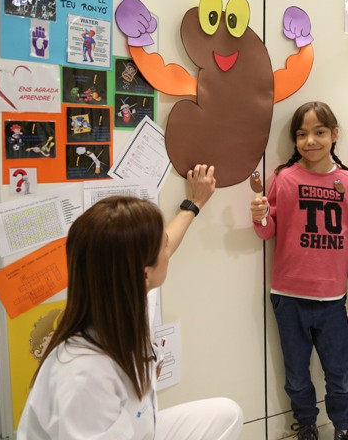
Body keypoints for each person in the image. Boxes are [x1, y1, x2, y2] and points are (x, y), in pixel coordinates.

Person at [17, 164, 243, 440]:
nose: (168, 247)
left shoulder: (119, 292)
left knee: (227, 414)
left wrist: (193, 204)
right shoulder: (84, 374)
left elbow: (168, 242)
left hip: (135, 425)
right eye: (163, 245)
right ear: (144, 273)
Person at [250, 101, 348, 440]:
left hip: (332, 300)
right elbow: (268, 232)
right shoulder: (284, 179)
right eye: (302, 134)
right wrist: (260, 215)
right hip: (288, 298)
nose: (310, 141)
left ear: (335, 134)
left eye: (319, 132)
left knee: (339, 373)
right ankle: (306, 425)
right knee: (297, 375)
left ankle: (343, 427)